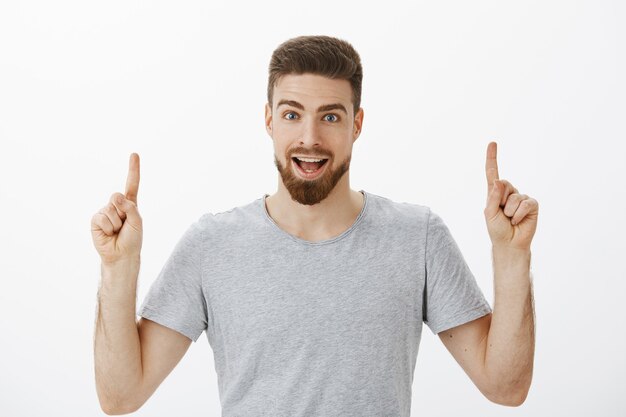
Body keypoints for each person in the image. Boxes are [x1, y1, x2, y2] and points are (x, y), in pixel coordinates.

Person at [92, 35, 537, 416]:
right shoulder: (213, 244)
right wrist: (118, 267)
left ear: (356, 125)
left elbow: (505, 387)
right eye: (291, 114)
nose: (309, 137)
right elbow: (120, 395)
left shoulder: (416, 237)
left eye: (330, 116)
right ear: (269, 121)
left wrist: (512, 256)